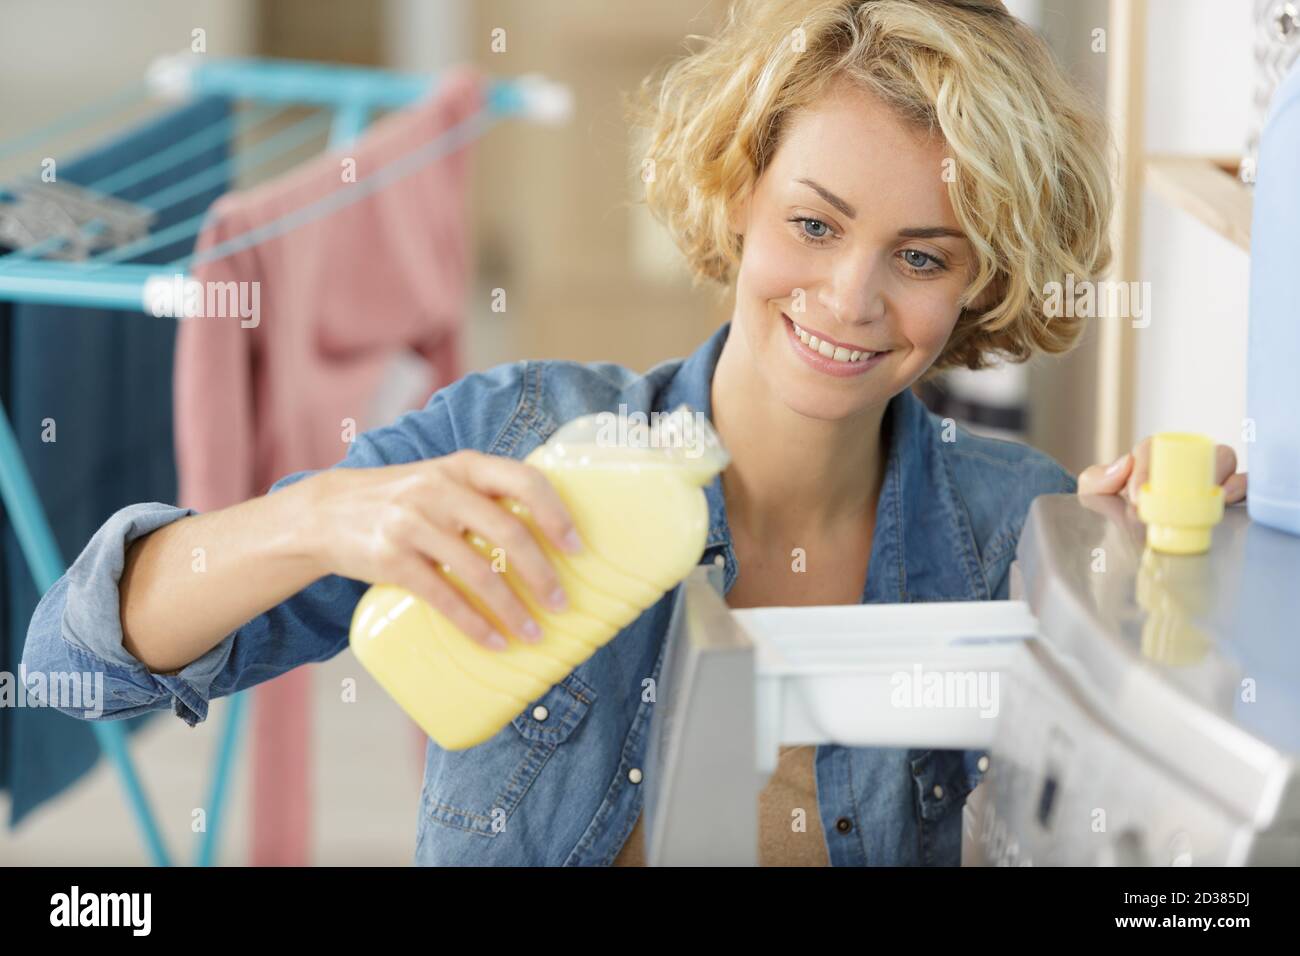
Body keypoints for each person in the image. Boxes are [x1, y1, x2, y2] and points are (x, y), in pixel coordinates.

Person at [22, 0, 1245, 866]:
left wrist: (1171, 580)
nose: (851, 299)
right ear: (736, 192)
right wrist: (321, 513)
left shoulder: (1009, 524)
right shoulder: (513, 436)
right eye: (814, 226)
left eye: (920, 257)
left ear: (978, 287)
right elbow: (78, 662)